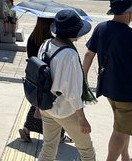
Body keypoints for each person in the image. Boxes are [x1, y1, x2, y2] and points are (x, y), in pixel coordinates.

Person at [83, 0, 132, 161]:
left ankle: (125, 157)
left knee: (122, 126)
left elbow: (88, 54)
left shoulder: (101, 28)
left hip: (108, 87)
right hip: (128, 92)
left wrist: (83, 79)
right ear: (128, 12)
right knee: (121, 131)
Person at [37, 9, 96, 161]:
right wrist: (82, 118)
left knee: (48, 147)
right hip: (65, 110)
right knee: (87, 151)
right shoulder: (69, 54)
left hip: (46, 105)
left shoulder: (46, 44)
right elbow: (73, 92)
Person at [19, 17, 71, 144]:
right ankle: (59, 135)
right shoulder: (50, 41)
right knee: (57, 106)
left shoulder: (32, 38)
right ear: (49, 23)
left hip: (35, 76)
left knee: (37, 103)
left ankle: (27, 128)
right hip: (49, 78)